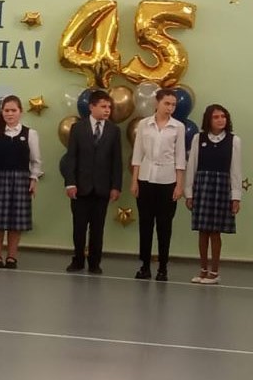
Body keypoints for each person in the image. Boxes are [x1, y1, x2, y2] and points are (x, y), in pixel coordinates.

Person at [62, 89, 123, 274]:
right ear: (91, 107)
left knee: (98, 229)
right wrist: (70, 183)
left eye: (109, 107)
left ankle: (95, 262)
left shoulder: (114, 130)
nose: (107, 110)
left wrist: (116, 186)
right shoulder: (78, 128)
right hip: (81, 187)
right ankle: (78, 260)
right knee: (79, 227)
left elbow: (117, 161)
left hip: (102, 188)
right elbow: (71, 157)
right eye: (103, 106)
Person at [0, 95, 42, 269]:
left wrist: (33, 179)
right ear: (2, 112)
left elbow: (36, 161)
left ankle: (12, 257)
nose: (10, 114)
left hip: (21, 180)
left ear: (20, 112)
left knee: (16, 223)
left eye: (13, 110)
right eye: (6, 110)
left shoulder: (30, 134)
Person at [131, 88, 186, 281]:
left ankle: (163, 267)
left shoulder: (178, 127)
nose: (170, 108)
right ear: (157, 102)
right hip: (145, 179)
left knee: (164, 226)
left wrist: (179, 185)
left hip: (167, 181)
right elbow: (138, 154)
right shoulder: (144, 124)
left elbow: (180, 158)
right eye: (167, 103)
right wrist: (134, 181)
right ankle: (144, 265)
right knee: (145, 225)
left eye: (173, 105)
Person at [185, 103, 242, 285]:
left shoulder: (234, 140)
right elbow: (192, 166)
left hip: (221, 187)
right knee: (203, 231)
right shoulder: (198, 138)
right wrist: (189, 193)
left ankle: (214, 272)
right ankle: (203, 270)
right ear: (208, 120)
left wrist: (235, 197)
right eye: (216, 117)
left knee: (215, 232)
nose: (220, 120)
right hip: (202, 186)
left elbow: (235, 170)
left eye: (223, 116)